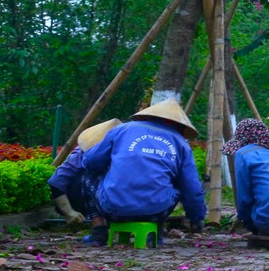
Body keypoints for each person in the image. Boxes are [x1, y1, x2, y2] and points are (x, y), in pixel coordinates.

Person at [80, 98, 206, 246]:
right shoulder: (181, 143)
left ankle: (99, 230)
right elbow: (192, 189)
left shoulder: (122, 130)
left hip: (113, 209)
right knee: (178, 180)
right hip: (156, 212)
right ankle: (155, 231)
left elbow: (91, 161)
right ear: (179, 127)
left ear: (145, 116)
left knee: (88, 172)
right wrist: (196, 218)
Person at [46, 118, 121, 226]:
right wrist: (70, 213)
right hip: (80, 199)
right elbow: (56, 182)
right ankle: (98, 225)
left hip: (113, 201)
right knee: (89, 176)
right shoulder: (81, 154)